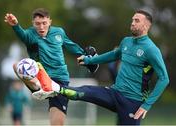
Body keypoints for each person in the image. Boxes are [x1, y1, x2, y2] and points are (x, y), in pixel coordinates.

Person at [32, 9, 169, 125]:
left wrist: (147, 104)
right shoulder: (126, 41)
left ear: (146, 26)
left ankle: (55, 87)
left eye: (137, 21)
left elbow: (164, 78)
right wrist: (90, 60)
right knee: (84, 92)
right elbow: (113, 55)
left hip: (132, 101)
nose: (132, 23)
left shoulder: (151, 49)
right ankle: (54, 87)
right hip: (114, 93)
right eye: (132, 20)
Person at [4, 8, 98, 125]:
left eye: (44, 23)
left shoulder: (59, 32)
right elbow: (22, 35)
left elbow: (71, 45)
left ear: (50, 22)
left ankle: (48, 89)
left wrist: (87, 57)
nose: (41, 27)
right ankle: (40, 87)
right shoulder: (30, 34)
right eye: (37, 24)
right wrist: (16, 25)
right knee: (16, 66)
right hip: (41, 77)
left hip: (60, 80)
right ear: (33, 23)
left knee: (57, 123)